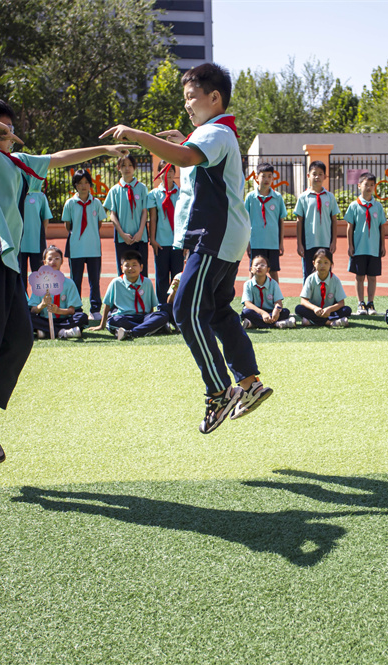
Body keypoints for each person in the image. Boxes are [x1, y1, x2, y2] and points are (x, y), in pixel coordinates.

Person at [0, 92, 134, 464]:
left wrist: (101, 152)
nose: (8, 134)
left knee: (20, 340)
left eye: (10, 128)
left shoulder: (20, 163)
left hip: (11, 264)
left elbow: (60, 158)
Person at [99, 62, 272, 433]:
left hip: (216, 235)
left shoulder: (216, 132)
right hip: (220, 237)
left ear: (215, 98)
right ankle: (249, 383)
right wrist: (186, 141)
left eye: (192, 98)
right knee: (217, 310)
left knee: (184, 310)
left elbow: (188, 158)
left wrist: (139, 135)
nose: (188, 105)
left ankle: (218, 391)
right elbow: (194, 161)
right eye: (186, 99)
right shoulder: (216, 133)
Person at [91, 250, 171, 340]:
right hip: (123, 317)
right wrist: (102, 325)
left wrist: (150, 320)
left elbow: (151, 307)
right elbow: (107, 305)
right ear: (121, 268)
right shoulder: (116, 282)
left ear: (141, 267)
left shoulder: (147, 282)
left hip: (143, 317)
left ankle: (131, 332)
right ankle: (152, 329)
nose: (130, 268)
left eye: (134, 265)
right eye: (127, 265)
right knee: (114, 321)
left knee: (163, 315)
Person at [61, 169, 106, 320]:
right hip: (76, 248)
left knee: (94, 280)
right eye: (80, 183)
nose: (84, 186)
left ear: (90, 184)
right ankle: (77, 308)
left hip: (93, 248)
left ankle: (95, 309)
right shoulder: (70, 203)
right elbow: (68, 225)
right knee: (76, 281)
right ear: (75, 185)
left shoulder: (97, 203)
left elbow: (99, 223)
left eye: (86, 182)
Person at [344, 172, 386, 315]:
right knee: (359, 276)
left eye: (372, 185)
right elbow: (349, 227)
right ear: (359, 185)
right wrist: (350, 245)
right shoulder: (354, 206)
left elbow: (381, 226)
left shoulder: (378, 206)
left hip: (373, 248)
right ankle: (360, 303)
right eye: (366, 184)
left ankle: (371, 303)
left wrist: (382, 245)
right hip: (359, 247)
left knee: (372, 277)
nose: (369, 187)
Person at [27, 245, 88, 340]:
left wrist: (57, 311)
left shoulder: (69, 283)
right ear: (44, 262)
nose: (53, 262)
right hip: (45, 319)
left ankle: (46, 331)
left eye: (57, 258)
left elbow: (72, 311)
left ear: (62, 261)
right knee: (28, 317)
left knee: (82, 317)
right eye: (50, 259)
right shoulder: (39, 283)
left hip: (65, 319)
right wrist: (42, 305)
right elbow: (33, 310)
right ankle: (63, 332)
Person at [104, 154, 149, 277]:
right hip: (122, 238)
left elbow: (145, 211)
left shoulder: (142, 188)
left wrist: (140, 232)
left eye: (130, 165)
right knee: (124, 273)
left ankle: (141, 296)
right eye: (123, 165)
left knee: (141, 272)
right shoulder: (114, 190)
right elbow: (112, 215)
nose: (127, 168)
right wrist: (122, 234)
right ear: (118, 168)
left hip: (140, 238)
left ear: (134, 167)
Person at [294, 160, 340, 279]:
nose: (317, 177)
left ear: (325, 176)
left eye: (320, 174)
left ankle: (325, 297)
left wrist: (334, 241)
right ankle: (307, 297)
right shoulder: (303, 197)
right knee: (308, 274)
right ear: (308, 176)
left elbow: (334, 220)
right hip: (308, 242)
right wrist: (299, 243)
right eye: (314, 173)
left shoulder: (330, 197)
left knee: (325, 273)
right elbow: (299, 221)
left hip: (325, 241)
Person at [245, 162, 287, 284]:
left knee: (273, 271)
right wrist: (247, 243)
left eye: (270, 176)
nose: (267, 179)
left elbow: (281, 220)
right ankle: (250, 298)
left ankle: (276, 299)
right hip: (256, 241)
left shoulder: (277, 197)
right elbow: (246, 220)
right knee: (253, 271)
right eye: (263, 176)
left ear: (273, 178)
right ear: (257, 177)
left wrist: (281, 243)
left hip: (272, 242)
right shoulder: (250, 197)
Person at [147, 161, 184, 300]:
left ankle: (176, 308)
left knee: (177, 276)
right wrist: (153, 240)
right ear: (158, 174)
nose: (167, 174)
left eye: (170, 170)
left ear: (175, 173)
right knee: (161, 277)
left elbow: (185, 217)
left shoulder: (182, 193)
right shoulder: (154, 194)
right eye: (163, 170)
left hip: (178, 243)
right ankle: (162, 308)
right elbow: (153, 218)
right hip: (161, 242)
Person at [295, 249, 350, 328]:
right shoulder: (310, 279)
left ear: (331, 264)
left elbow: (341, 303)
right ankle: (329, 322)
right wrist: (315, 308)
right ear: (314, 263)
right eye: (319, 262)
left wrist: (329, 309)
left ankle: (313, 321)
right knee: (298, 309)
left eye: (326, 262)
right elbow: (303, 301)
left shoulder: (335, 280)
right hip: (314, 311)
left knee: (347, 310)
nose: (322, 265)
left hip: (329, 311)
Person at [240, 254, 294, 329]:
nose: (259, 267)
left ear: (268, 269)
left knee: (285, 311)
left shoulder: (273, 283)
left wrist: (276, 310)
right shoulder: (248, 284)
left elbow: (278, 302)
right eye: (256, 265)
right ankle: (276, 324)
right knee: (246, 312)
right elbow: (247, 303)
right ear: (251, 269)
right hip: (255, 311)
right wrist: (262, 313)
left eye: (262, 265)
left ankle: (254, 323)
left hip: (270, 311)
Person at [17, 185, 51, 277]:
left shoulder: (40, 196)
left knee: (39, 276)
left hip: (36, 243)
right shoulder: (15, 193)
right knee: (20, 276)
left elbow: (45, 218)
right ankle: (23, 292)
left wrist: (41, 236)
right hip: (19, 244)